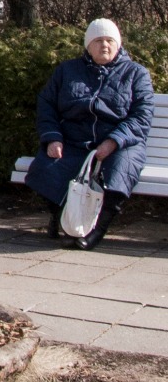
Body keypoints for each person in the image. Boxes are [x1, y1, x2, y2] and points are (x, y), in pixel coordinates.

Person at [25, 18, 154, 250]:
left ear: (118, 45)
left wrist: (113, 142)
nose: (104, 45)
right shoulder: (67, 70)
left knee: (119, 172)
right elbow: (47, 105)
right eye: (98, 41)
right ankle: (64, 217)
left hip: (121, 142)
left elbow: (141, 116)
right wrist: (53, 137)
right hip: (75, 138)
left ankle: (96, 230)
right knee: (45, 168)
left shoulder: (136, 73)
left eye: (109, 41)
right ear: (88, 46)